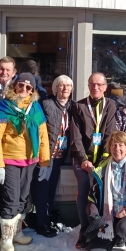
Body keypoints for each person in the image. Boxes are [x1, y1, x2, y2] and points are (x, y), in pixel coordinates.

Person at [0, 72, 50, 251]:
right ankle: (6, 239)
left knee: (23, 198)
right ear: (14, 86)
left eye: (28, 87)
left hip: (30, 161)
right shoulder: (3, 106)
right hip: (10, 160)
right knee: (11, 197)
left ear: (33, 90)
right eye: (21, 85)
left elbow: (43, 136)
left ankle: (17, 233)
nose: (24, 89)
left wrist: (45, 162)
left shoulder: (36, 108)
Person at [70, 72, 118, 249]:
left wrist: (105, 158)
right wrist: (83, 159)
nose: (95, 87)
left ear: (105, 87)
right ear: (88, 86)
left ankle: (103, 226)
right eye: (92, 84)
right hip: (82, 158)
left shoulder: (111, 105)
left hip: (103, 158)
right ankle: (85, 229)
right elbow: (75, 137)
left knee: (103, 189)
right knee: (84, 187)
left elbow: (109, 134)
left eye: (99, 84)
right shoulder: (79, 106)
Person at [36, 74, 74, 238]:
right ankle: (41, 223)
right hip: (45, 155)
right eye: (61, 85)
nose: (65, 88)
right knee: (42, 190)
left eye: (68, 86)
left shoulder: (73, 107)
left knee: (51, 190)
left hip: (60, 156)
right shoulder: (45, 104)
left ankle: (47, 218)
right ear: (55, 88)